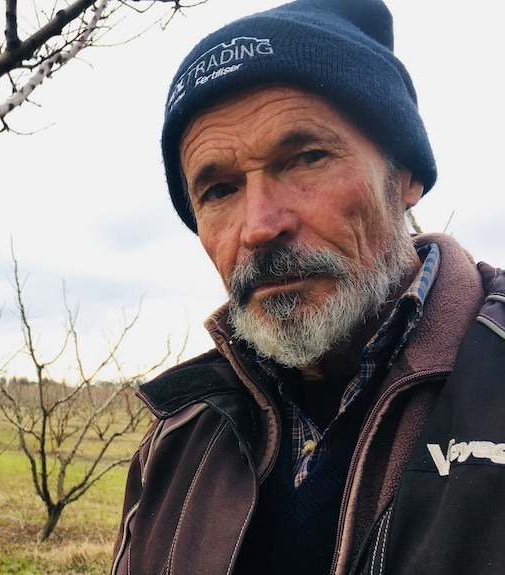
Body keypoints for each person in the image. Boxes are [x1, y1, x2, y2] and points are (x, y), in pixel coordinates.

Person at [110, 0, 505, 573]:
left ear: (407, 176)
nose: (260, 226)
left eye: (307, 157)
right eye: (219, 191)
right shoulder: (180, 436)